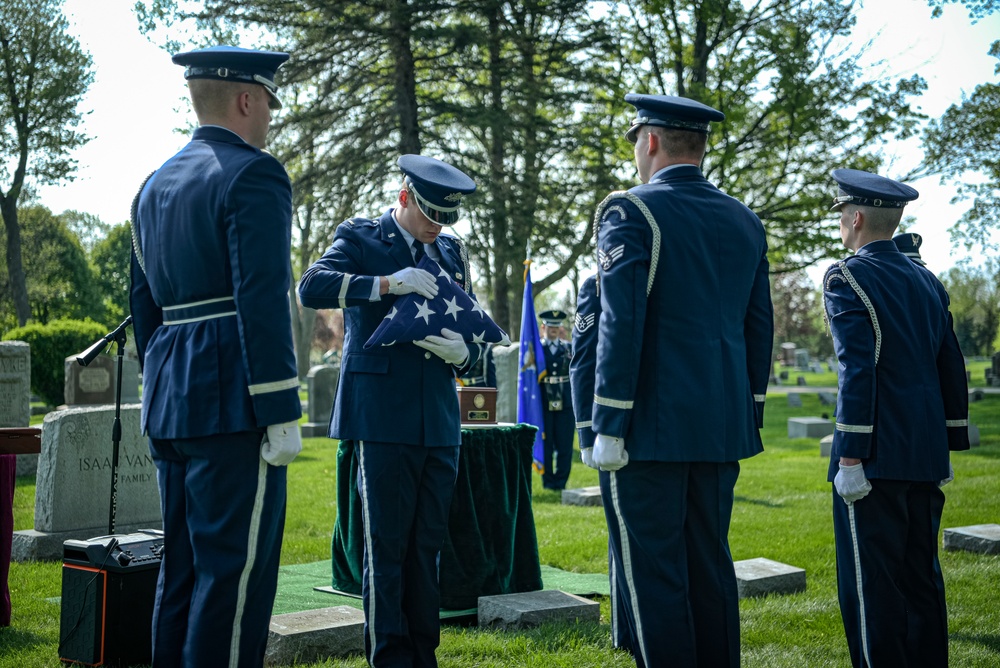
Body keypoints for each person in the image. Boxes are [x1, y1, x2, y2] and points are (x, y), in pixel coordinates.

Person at [129, 46, 302, 667]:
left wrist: (165, 383)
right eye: (268, 105)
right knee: (232, 576)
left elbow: (143, 307)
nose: (269, 120)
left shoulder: (153, 185)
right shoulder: (254, 174)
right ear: (247, 99)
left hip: (172, 400)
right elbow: (261, 297)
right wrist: (279, 405)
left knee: (181, 573)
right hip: (233, 401)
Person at [588, 93, 773, 667]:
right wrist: (750, 409)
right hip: (719, 426)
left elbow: (622, 323)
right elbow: (758, 326)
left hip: (649, 427)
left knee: (655, 573)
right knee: (710, 566)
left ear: (649, 141)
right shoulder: (745, 219)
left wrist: (610, 420)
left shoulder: (630, 210)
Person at [297, 154, 483, 668]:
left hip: (439, 419)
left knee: (427, 548)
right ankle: (390, 658)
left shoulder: (449, 249)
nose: (434, 230)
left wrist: (464, 355)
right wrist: (385, 283)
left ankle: (423, 655)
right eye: (428, 218)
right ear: (405, 198)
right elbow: (310, 286)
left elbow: (467, 322)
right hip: (381, 417)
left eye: (443, 221)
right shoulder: (361, 238)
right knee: (387, 549)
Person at [823, 168, 969, 667]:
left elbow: (857, 369)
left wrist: (850, 457)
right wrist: (949, 440)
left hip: (876, 457)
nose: (842, 223)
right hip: (924, 452)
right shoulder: (926, 278)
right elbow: (950, 363)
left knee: (871, 589)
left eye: (843, 214)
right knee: (921, 578)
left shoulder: (847, 276)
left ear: (857, 217)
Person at [538, 309, 574, 490]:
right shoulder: (536, 349)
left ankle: (561, 482)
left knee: (565, 444)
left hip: (565, 402)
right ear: (543, 327)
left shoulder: (568, 348)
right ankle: (548, 481)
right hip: (544, 403)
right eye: (550, 326)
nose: (553, 329)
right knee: (546, 444)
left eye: (556, 326)